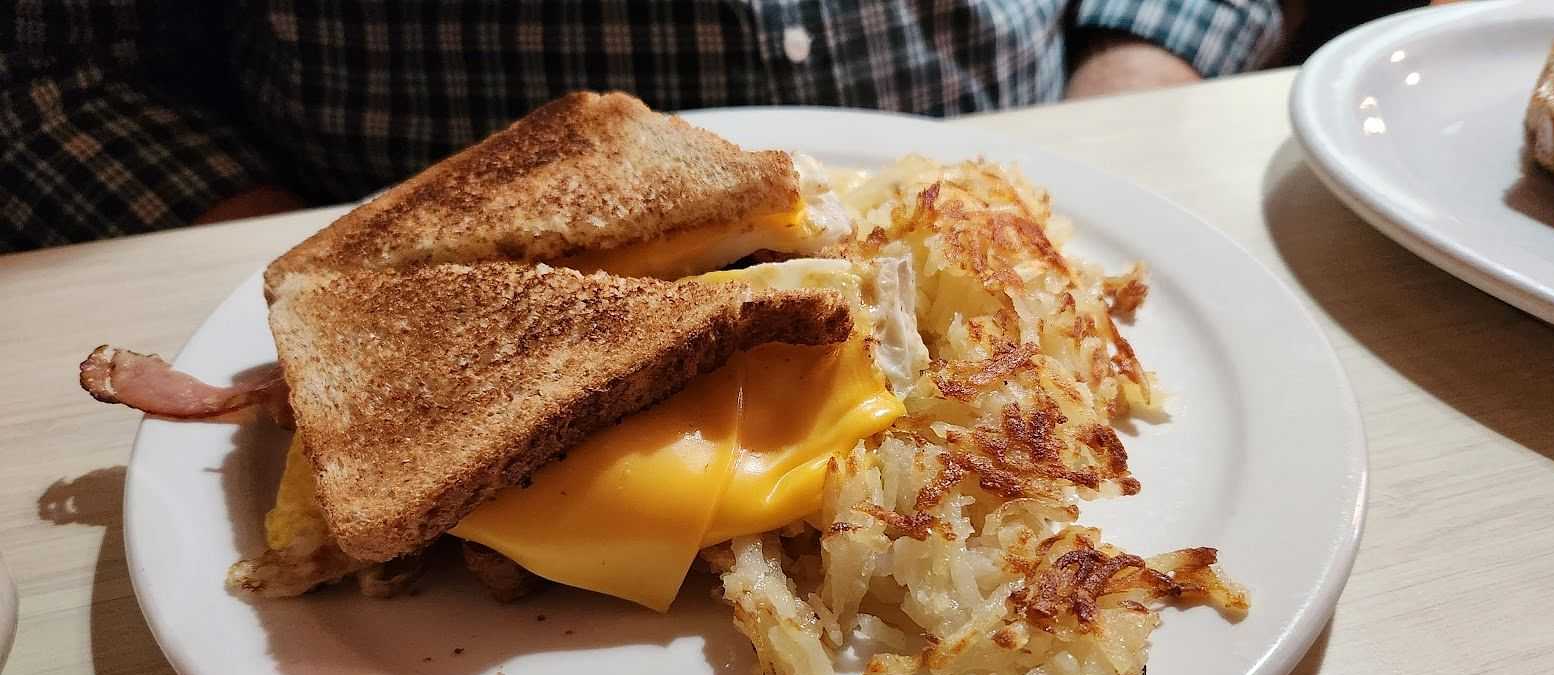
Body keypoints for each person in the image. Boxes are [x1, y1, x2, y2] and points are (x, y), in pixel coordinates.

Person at [0, 1, 1281, 252]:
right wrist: (323, 286)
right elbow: (47, 80)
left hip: (1041, 186)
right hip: (373, 228)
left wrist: (1105, 138)